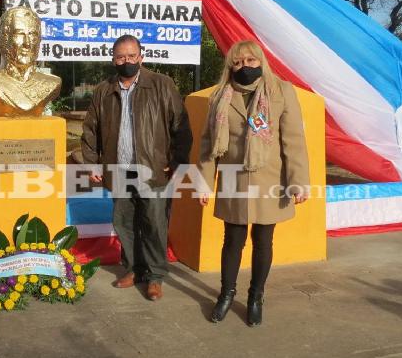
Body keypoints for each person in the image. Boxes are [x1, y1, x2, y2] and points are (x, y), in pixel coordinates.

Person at [198, 40, 309, 326]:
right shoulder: (220, 96)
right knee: (232, 240)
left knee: (263, 240)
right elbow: (208, 144)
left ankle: (255, 297)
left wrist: (299, 182)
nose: (243, 67)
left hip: (269, 179)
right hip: (233, 179)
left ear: (260, 61)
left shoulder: (281, 91)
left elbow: (294, 140)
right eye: (237, 62)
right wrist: (204, 183)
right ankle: (226, 294)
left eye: (249, 61)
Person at [81, 35, 192, 301]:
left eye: (131, 56)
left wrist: (178, 161)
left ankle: (155, 276)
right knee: (124, 222)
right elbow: (90, 129)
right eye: (121, 57)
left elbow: (181, 127)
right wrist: (92, 162)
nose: (127, 61)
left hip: (153, 169)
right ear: (113, 59)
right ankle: (132, 269)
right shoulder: (103, 90)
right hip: (119, 169)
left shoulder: (162, 85)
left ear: (141, 56)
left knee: (154, 223)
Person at [0, 6, 61, 117]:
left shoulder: (52, 83)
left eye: (33, 34)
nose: (27, 43)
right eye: (19, 34)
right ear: (3, 39)